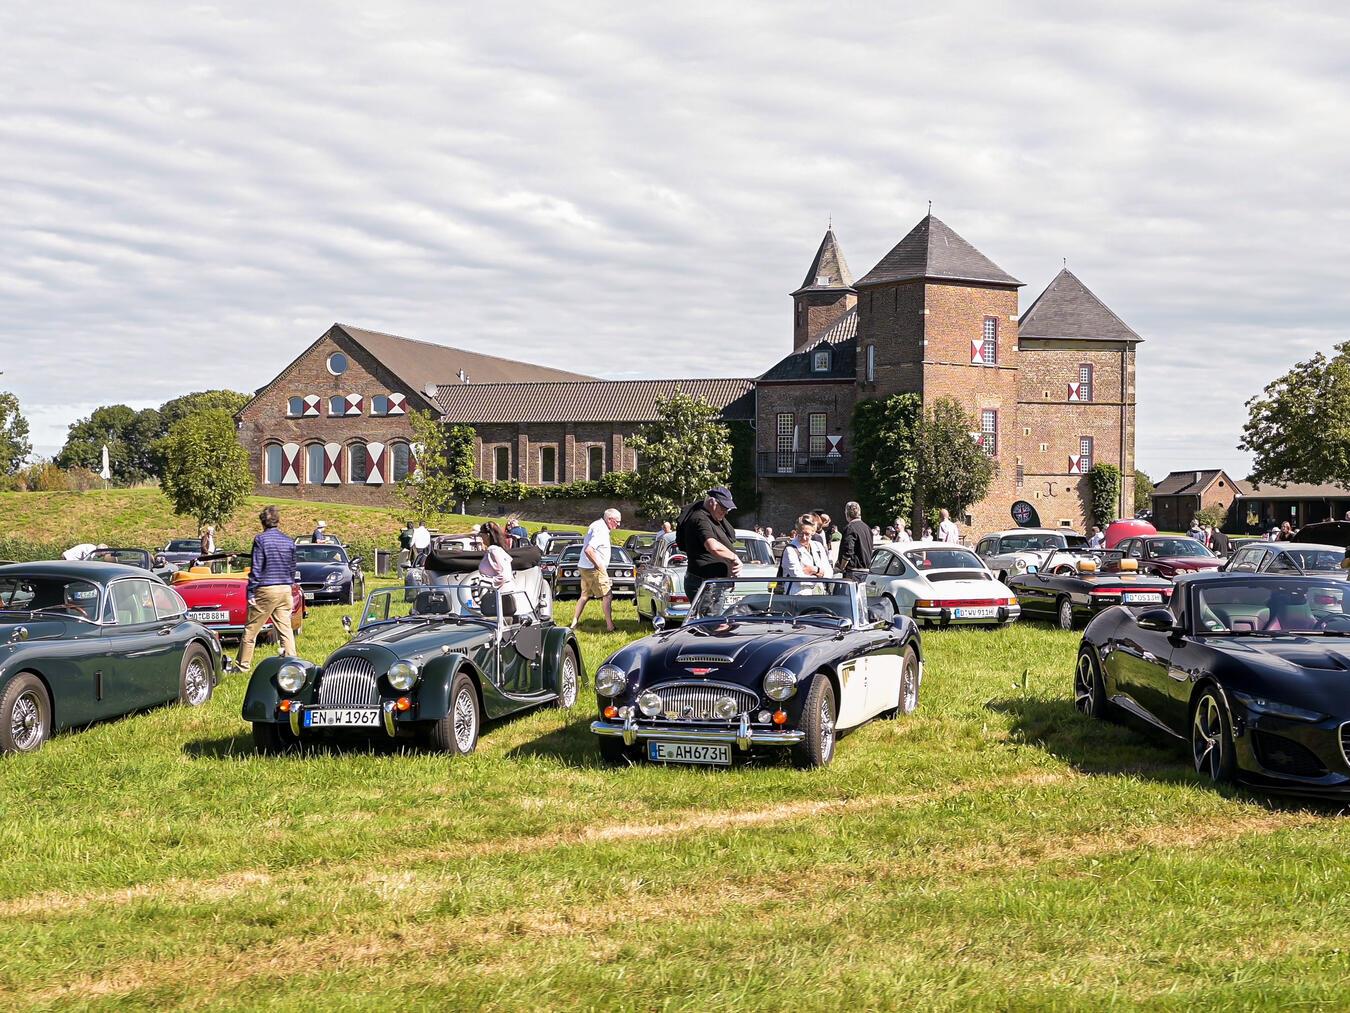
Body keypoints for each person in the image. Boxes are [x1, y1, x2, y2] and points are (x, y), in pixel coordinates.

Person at [234, 505, 296, 674]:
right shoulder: (288, 540)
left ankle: (242, 666)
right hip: (285, 588)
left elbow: (256, 567)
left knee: (251, 629)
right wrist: (289, 584)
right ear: (278, 521)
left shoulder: (260, 540)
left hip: (266, 588)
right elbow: (292, 566)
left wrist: (251, 591)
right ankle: (292, 662)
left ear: (262, 522)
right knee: (285, 629)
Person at [675, 487, 743, 605]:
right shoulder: (700, 518)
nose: (726, 512)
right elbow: (712, 546)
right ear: (712, 502)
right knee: (710, 617)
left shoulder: (713, 517)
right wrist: (734, 558)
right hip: (704, 584)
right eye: (723, 507)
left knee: (714, 617)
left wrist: (729, 572)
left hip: (713, 583)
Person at [571, 508, 621, 631]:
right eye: (617, 521)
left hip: (584, 566)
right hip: (593, 568)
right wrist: (599, 565)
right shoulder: (601, 530)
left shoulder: (596, 524)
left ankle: (574, 623)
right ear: (609, 519)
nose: (619, 524)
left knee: (584, 595)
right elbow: (589, 550)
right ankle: (610, 626)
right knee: (607, 595)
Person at [478, 521, 518, 617]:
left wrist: (489, 583)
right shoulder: (497, 550)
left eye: (481, 534)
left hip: (500, 597)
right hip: (500, 595)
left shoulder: (493, 551)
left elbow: (504, 575)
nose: (480, 537)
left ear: (488, 535)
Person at [781, 515, 827, 593]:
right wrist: (820, 574)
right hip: (797, 596)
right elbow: (799, 578)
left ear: (813, 532)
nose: (804, 537)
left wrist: (814, 570)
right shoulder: (790, 550)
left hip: (819, 594)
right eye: (800, 534)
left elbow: (828, 573)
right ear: (796, 531)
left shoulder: (818, 546)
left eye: (807, 534)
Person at [836, 501, 874, 580]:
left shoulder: (850, 528)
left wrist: (841, 568)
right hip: (866, 572)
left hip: (854, 572)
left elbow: (848, 551)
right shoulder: (867, 528)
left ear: (847, 513)